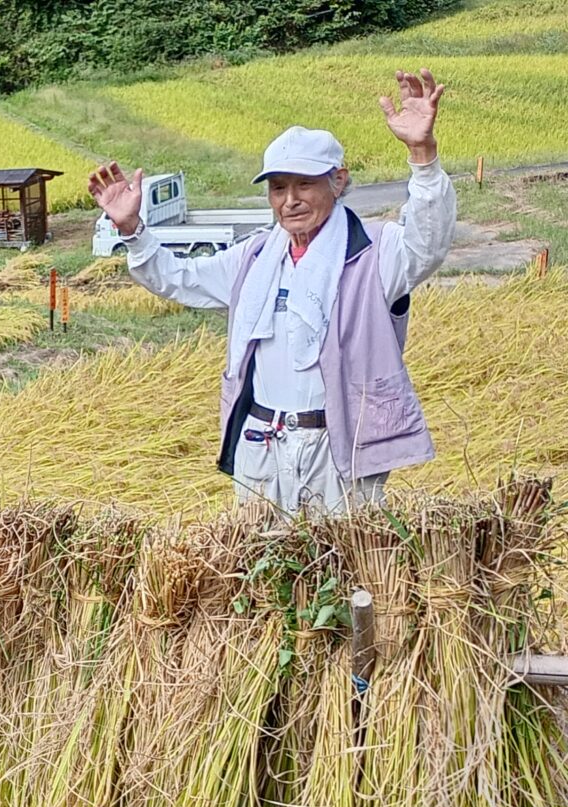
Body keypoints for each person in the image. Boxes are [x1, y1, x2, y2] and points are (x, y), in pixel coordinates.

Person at [88, 70, 455, 512]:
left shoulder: (373, 252)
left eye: (305, 184)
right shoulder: (256, 258)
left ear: (338, 181)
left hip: (340, 451)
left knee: (346, 554)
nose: (290, 200)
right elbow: (178, 277)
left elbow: (427, 243)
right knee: (258, 553)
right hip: (261, 446)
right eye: (279, 188)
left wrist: (422, 156)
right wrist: (132, 229)